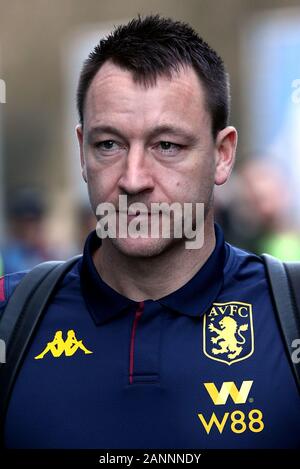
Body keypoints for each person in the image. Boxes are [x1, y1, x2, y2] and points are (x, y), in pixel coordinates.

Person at [0, 14, 299, 449]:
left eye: (167, 146)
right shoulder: (11, 316)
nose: (134, 178)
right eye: (109, 144)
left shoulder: (288, 311)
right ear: (82, 152)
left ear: (222, 155)